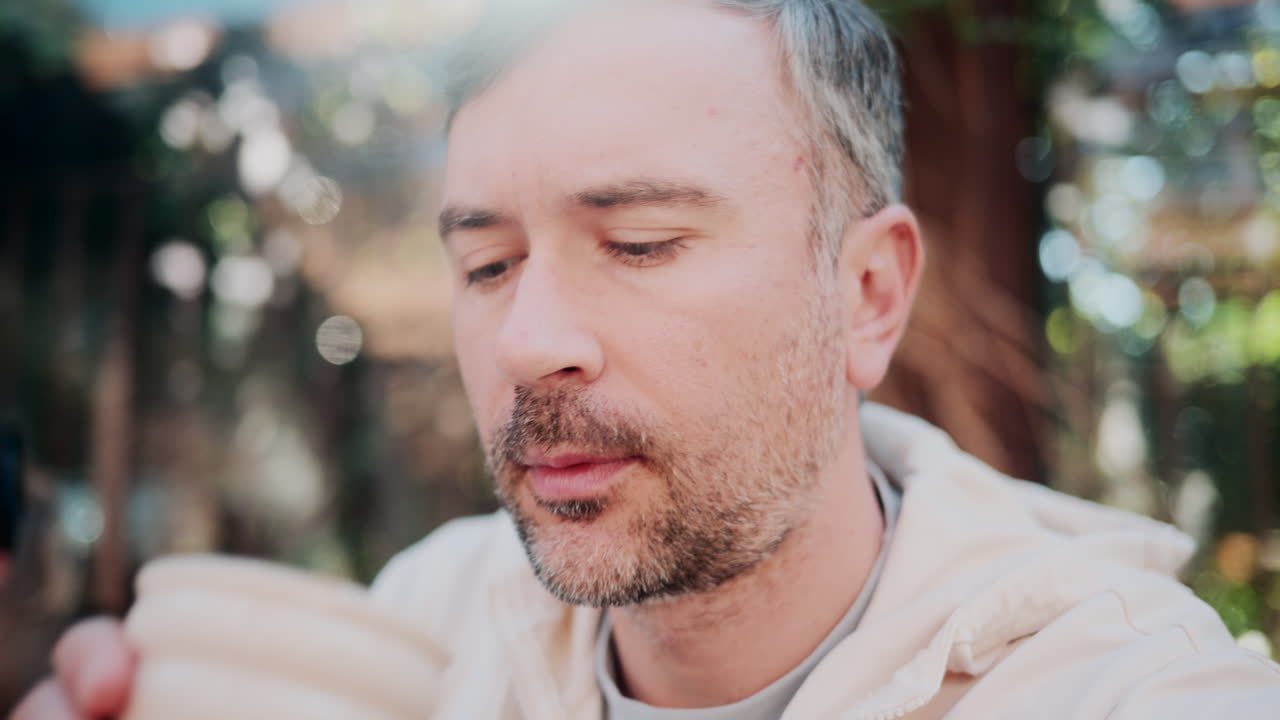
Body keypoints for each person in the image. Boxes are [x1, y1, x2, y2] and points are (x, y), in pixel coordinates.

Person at [13, 1, 1280, 718]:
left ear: (866, 294)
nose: (528, 343)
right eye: (487, 265)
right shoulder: (430, 633)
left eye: (639, 242)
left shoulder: (1115, 690)